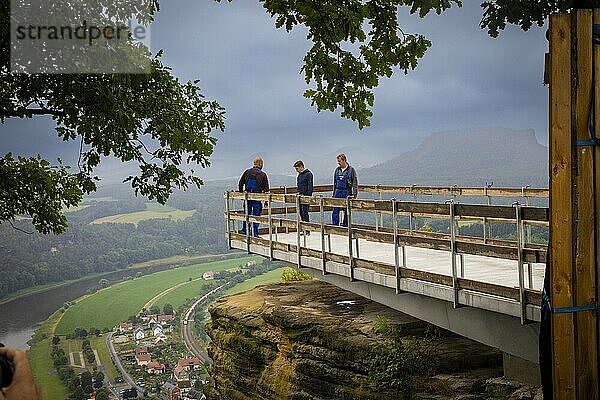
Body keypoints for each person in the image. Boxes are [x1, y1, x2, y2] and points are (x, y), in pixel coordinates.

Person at [238, 157, 269, 237]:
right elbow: (266, 190)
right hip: (257, 198)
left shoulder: (247, 172)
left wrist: (241, 195)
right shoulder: (262, 174)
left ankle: (245, 231)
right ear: (261, 164)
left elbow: (240, 183)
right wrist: (266, 201)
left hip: (247, 197)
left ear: (254, 163)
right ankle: (254, 233)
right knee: (256, 216)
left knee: (246, 214)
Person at [332, 153, 358, 227]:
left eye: (339, 161)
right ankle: (335, 226)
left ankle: (346, 226)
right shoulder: (337, 170)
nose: (338, 163)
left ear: (344, 161)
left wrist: (354, 195)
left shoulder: (351, 170)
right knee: (335, 210)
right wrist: (333, 194)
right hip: (337, 191)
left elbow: (355, 183)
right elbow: (334, 183)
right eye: (338, 162)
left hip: (346, 191)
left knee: (346, 210)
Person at [293, 160, 314, 230]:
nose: (296, 170)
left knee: (305, 213)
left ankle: (307, 229)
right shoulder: (299, 176)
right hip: (300, 197)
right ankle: (303, 228)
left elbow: (310, 186)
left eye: (297, 168)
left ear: (301, 167)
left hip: (306, 197)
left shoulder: (308, 174)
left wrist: (308, 196)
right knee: (300, 212)